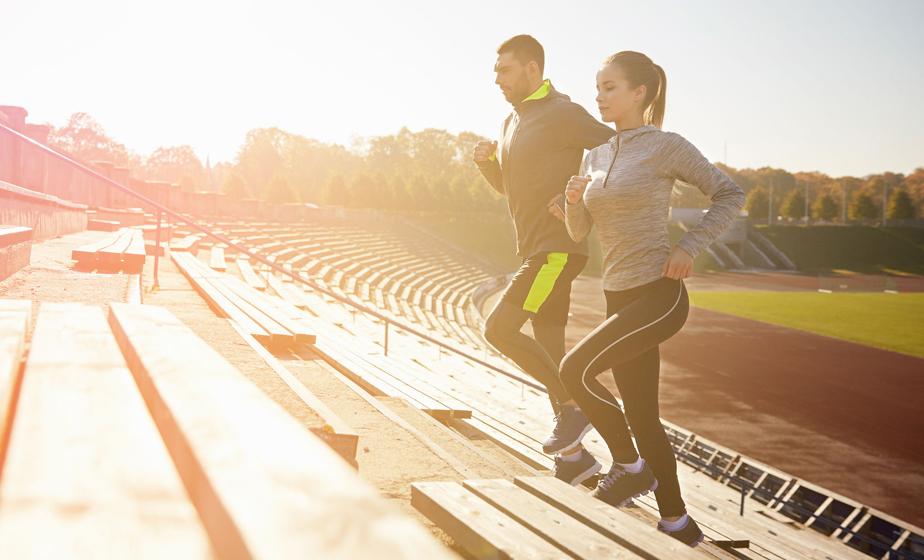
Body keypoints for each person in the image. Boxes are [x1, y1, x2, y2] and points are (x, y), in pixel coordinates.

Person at [559, 50, 746, 547]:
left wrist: (689, 246)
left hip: (658, 294)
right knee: (642, 415)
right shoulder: (594, 155)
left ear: (640, 93)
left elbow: (729, 194)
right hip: (617, 294)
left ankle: (629, 467)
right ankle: (677, 522)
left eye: (609, 87)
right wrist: (574, 203)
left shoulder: (665, 146)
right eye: (597, 87)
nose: (599, 95)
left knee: (573, 369)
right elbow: (581, 233)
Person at [472, 34, 613, 486]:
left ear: (532, 69)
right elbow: (514, 192)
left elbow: (620, 152)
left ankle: (578, 409)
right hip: (536, 248)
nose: (496, 79)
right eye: (495, 71)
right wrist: (488, 167)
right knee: (551, 350)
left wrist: (579, 197)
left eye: (504, 70)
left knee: (498, 329)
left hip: (558, 249)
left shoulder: (564, 114)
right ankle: (574, 458)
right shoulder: (510, 121)